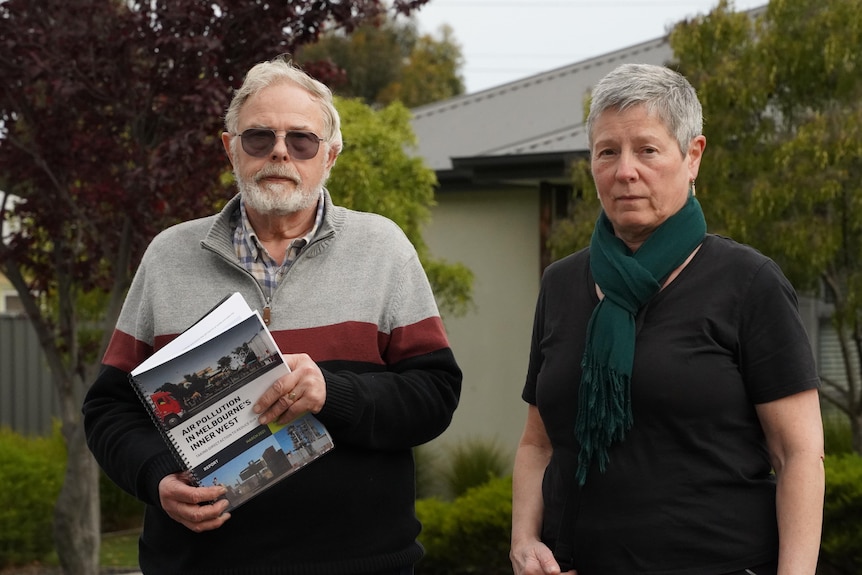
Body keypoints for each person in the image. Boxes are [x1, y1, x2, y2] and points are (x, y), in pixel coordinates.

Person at [83, 56, 462, 575]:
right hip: (198, 564)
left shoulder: (384, 250)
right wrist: (155, 478)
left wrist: (335, 392)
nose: (281, 151)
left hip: (361, 564)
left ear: (330, 156)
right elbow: (109, 410)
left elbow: (435, 395)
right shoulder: (168, 257)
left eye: (302, 140)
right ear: (230, 148)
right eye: (259, 137)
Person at [510, 63, 824, 575]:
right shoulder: (561, 284)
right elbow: (537, 443)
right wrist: (524, 539)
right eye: (607, 151)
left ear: (693, 156)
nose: (625, 170)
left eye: (647, 149)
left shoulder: (748, 282)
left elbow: (799, 455)